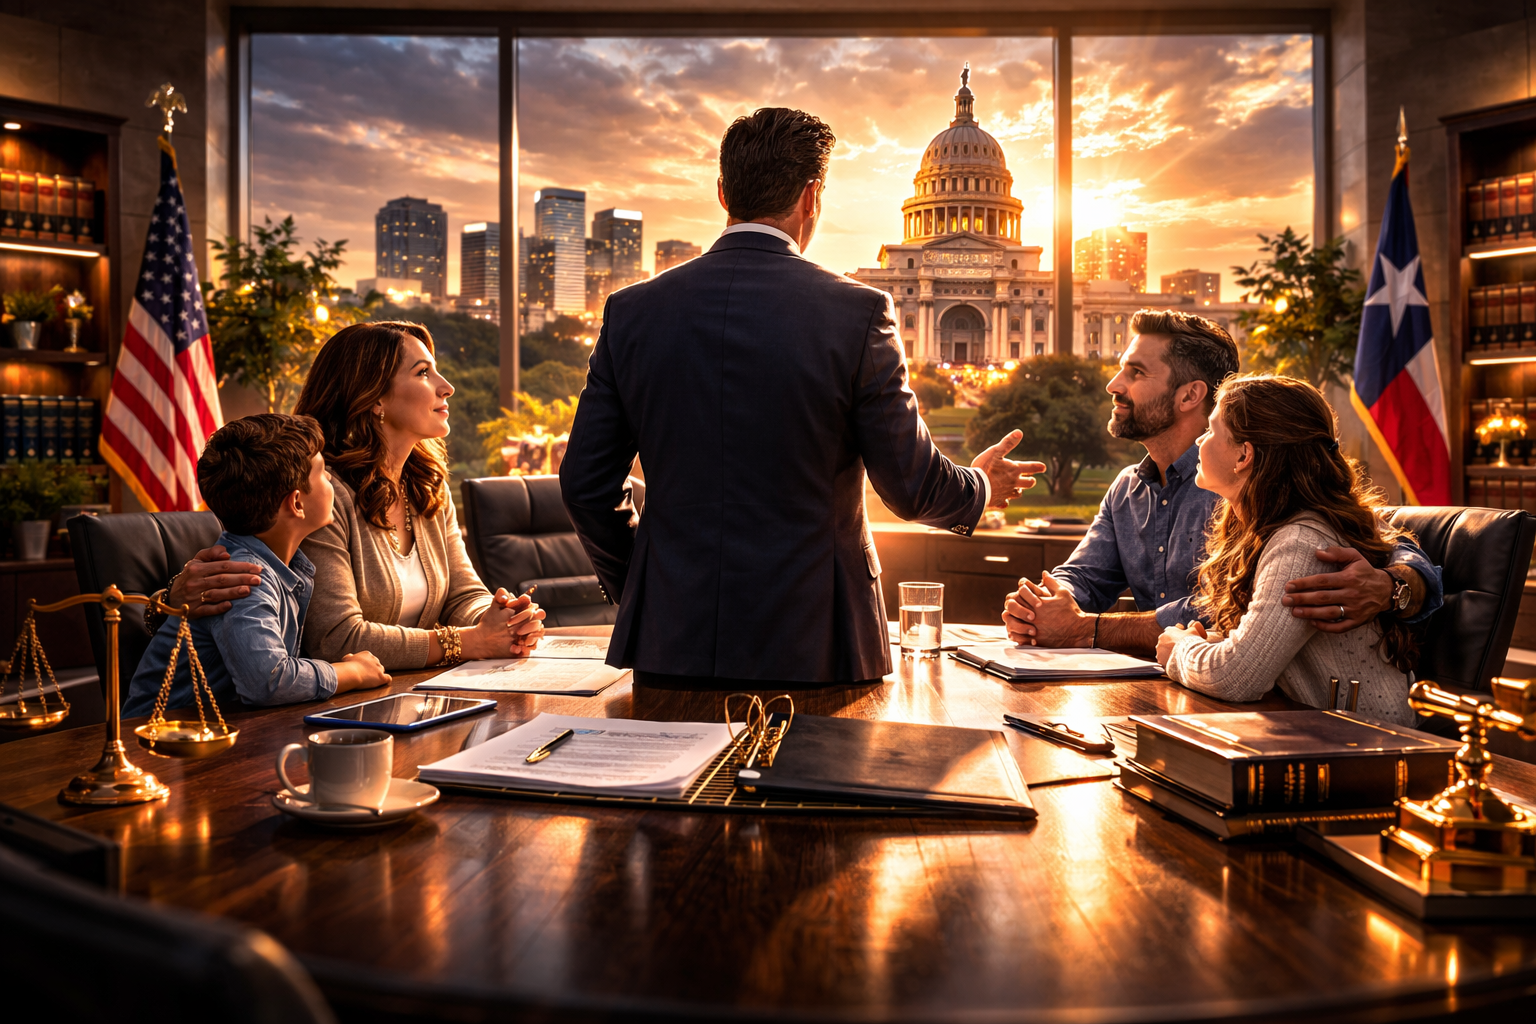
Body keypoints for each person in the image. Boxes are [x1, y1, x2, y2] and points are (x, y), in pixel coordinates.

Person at [559, 107, 1041, 687]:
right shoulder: (858, 313)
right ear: (812, 196)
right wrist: (980, 485)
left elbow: (585, 483)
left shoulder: (632, 312)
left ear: (722, 192)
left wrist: (649, 581)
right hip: (821, 641)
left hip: (671, 639)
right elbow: (910, 487)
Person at [1003, 310, 1442, 653]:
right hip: (1158, 689)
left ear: (1190, 395)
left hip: (1235, 702)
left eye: (1136, 372)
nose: (1114, 385)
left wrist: (1395, 585)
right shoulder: (1127, 489)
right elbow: (1085, 576)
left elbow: (1386, 544)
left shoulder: (1252, 480)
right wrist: (1042, 605)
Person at [1155, 375, 1417, 724]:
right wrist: (1217, 643)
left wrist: (1180, 648)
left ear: (1244, 454)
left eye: (1211, 431)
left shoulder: (1302, 544)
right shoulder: (1280, 528)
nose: (1199, 442)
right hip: (1323, 737)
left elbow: (1239, 678)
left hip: (1363, 749)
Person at [290, 321, 545, 668]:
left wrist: (501, 619)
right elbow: (336, 638)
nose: (447, 387)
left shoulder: (427, 486)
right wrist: (467, 642)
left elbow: (462, 594)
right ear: (374, 396)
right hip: (338, 713)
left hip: (419, 694)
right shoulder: (322, 496)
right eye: (424, 372)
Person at [124, 415, 391, 716]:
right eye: (323, 474)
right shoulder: (243, 577)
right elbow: (269, 681)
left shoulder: (277, 564)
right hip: (160, 740)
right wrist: (353, 672)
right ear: (297, 503)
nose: (330, 479)